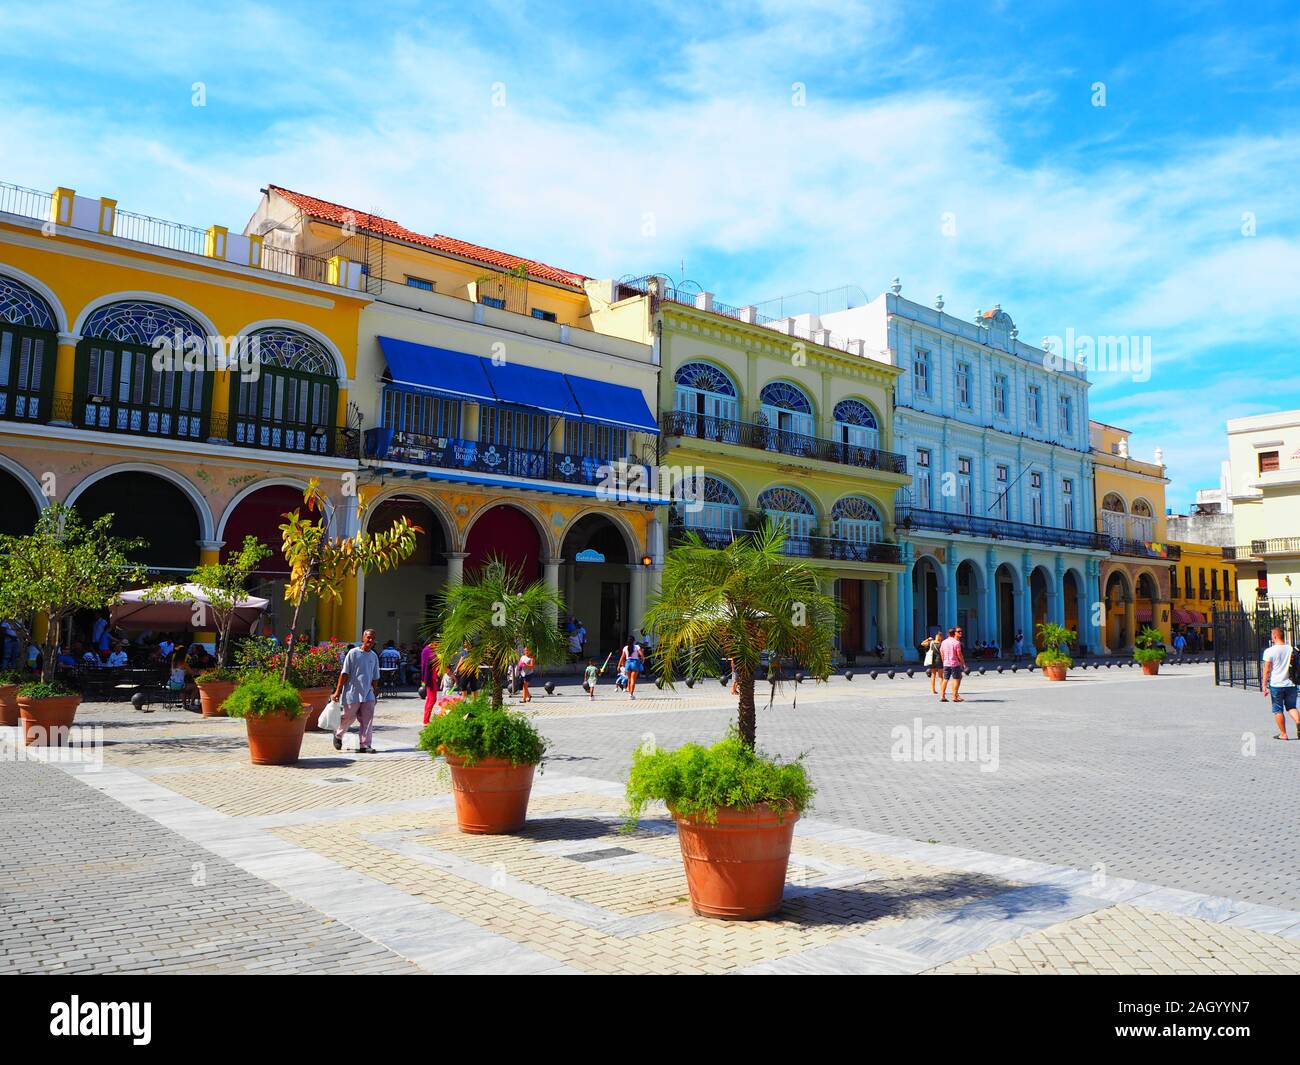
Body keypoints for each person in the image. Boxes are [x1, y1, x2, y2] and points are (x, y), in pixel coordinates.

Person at [333, 629, 381, 753]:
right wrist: (338, 691)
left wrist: (375, 693)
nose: (370, 640)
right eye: (368, 637)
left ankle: (365, 745)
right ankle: (338, 735)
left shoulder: (374, 656)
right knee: (348, 717)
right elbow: (344, 673)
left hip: (368, 693)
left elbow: (375, 677)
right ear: (363, 638)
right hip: (352, 692)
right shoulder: (353, 653)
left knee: (367, 719)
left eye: (373, 638)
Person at [1262, 626, 1300, 741]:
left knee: (1278, 709)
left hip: (1277, 684)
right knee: (1291, 707)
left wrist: (1264, 685)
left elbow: (1267, 669)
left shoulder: (1269, 651)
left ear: (1274, 636)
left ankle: (1283, 734)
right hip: (1291, 684)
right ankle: (1298, 721)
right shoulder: (1291, 649)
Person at [939, 626, 966, 704]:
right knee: (956, 679)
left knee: (945, 679)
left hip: (946, 663)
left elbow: (941, 651)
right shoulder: (956, 642)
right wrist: (963, 663)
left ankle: (942, 696)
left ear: (948, 634)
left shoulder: (944, 642)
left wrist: (944, 660)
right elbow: (959, 654)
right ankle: (954, 697)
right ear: (954, 633)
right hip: (955, 664)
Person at [617, 634, 644, 700]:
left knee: (629, 680)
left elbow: (622, 657)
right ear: (634, 641)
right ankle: (631, 694)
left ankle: (629, 694)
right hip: (635, 663)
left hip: (628, 663)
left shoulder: (625, 648)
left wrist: (619, 665)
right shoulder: (637, 647)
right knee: (633, 680)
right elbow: (642, 655)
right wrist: (642, 660)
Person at [420, 640, 440, 725]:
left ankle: (426, 719)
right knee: (432, 699)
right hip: (430, 678)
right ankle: (426, 720)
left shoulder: (427, 650)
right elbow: (437, 662)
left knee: (429, 699)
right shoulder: (429, 651)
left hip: (430, 678)